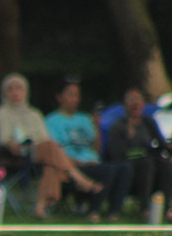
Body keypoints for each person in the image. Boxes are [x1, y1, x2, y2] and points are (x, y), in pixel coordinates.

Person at [0, 73, 102, 219]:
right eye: (10, 89)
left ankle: (39, 208)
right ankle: (77, 177)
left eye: (19, 88)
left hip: (40, 151)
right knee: (50, 149)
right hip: (16, 154)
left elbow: (44, 137)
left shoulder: (34, 114)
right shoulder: (2, 113)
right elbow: (4, 139)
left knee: (51, 165)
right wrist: (16, 145)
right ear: (5, 92)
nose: (15, 92)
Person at [45, 76, 132, 223]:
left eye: (77, 95)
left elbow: (96, 150)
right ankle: (94, 211)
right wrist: (80, 163)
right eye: (71, 94)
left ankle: (114, 212)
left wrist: (97, 128)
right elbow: (55, 152)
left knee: (125, 168)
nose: (75, 99)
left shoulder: (85, 119)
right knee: (107, 170)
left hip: (92, 161)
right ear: (59, 97)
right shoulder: (51, 121)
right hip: (72, 166)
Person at [105, 87, 172, 223]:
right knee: (146, 163)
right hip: (129, 165)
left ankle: (166, 209)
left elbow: (161, 145)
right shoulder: (119, 126)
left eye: (138, 99)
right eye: (131, 100)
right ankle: (144, 208)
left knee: (165, 165)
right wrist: (129, 139)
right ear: (125, 105)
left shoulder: (148, 122)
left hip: (148, 161)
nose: (135, 103)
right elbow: (116, 153)